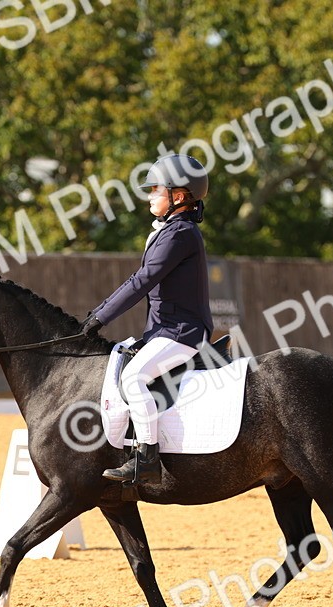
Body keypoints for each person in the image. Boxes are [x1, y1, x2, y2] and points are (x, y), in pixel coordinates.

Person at [79, 154, 213, 485]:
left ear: (179, 196)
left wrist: (100, 316)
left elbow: (142, 281)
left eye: (156, 189)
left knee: (134, 378)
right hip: (163, 331)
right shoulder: (171, 230)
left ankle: (147, 460)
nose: (150, 195)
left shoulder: (179, 233)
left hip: (183, 333)